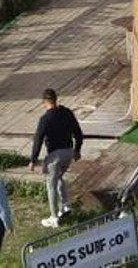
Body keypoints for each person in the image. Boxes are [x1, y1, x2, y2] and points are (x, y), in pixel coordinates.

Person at [29, 88, 83, 227]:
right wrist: (77, 150)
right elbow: (78, 133)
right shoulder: (67, 112)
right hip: (68, 153)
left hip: (54, 155)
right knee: (58, 177)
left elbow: (38, 140)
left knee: (50, 185)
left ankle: (53, 217)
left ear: (44, 102)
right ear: (56, 99)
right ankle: (65, 206)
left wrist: (33, 160)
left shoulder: (45, 119)